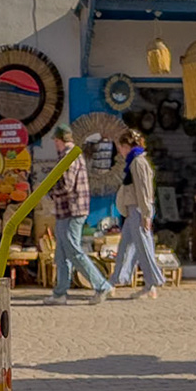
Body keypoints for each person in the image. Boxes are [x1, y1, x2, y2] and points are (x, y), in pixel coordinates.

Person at [46, 124, 111, 305]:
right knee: (61, 254)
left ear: (59, 140)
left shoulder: (68, 156)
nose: (54, 144)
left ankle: (101, 285)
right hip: (66, 211)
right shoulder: (71, 154)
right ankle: (60, 293)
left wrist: (49, 192)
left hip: (72, 210)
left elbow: (66, 185)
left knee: (74, 252)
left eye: (55, 141)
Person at [111, 129, 165, 299]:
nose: (120, 150)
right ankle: (115, 280)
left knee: (143, 247)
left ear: (126, 146)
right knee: (125, 247)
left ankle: (153, 282)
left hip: (139, 209)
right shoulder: (133, 162)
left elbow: (144, 190)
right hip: (132, 210)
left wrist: (146, 214)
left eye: (121, 147)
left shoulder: (138, 163)